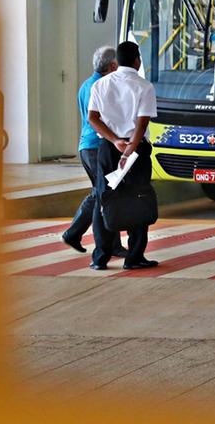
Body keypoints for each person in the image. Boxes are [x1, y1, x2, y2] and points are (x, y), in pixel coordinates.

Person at [86, 41, 159, 270]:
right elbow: (141, 123)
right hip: (135, 150)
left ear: (116, 62)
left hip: (109, 150)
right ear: (137, 61)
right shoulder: (144, 86)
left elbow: (93, 118)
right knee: (137, 200)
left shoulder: (101, 85)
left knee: (104, 199)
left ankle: (100, 258)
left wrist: (114, 140)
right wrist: (129, 149)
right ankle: (134, 257)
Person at [61, 46, 126, 258]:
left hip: (85, 146)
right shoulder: (103, 86)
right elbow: (102, 119)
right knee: (105, 194)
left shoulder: (85, 85)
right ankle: (76, 234)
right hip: (98, 147)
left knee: (102, 193)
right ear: (113, 66)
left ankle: (106, 243)